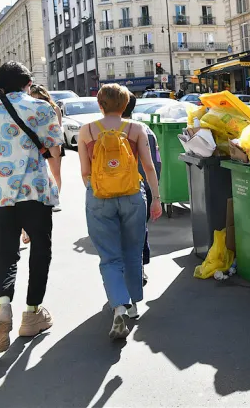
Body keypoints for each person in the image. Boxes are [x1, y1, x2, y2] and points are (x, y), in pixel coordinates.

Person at [78, 84, 162, 340]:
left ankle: (118, 305)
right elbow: (148, 167)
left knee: (109, 257)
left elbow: (84, 171)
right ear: (125, 105)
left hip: (99, 197)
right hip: (132, 195)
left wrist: (97, 190)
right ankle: (133, 305)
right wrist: (156, 199)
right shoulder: (136, 129)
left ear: (99, 104)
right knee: (133, 251)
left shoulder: (86, 131)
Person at [0, 62, 62, 353]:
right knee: (40, 249)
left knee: (6, 252)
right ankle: (32, 313)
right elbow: (54, 148)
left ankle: (2, 305)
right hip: (34, 190)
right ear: (26, 84)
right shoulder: (41, 108)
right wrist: (56, 183)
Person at [121, 94, 162, 286]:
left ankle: (121, 273)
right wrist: (155, 195)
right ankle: (139, 269)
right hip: (140, 192)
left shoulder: (98, 130)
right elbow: (154, 164)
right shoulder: (144, 130)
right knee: (138, 232)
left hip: (108, 193)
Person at [29, 84, 64, 214]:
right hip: (37, 144)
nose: (39, 101)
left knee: (56, 173)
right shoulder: (29, 109)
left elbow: (58, 127)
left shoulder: (54, 108)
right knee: (41, 172)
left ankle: (56, 200)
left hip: (53, 142)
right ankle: (41, 199)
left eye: (41, 98)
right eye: (35, 98)